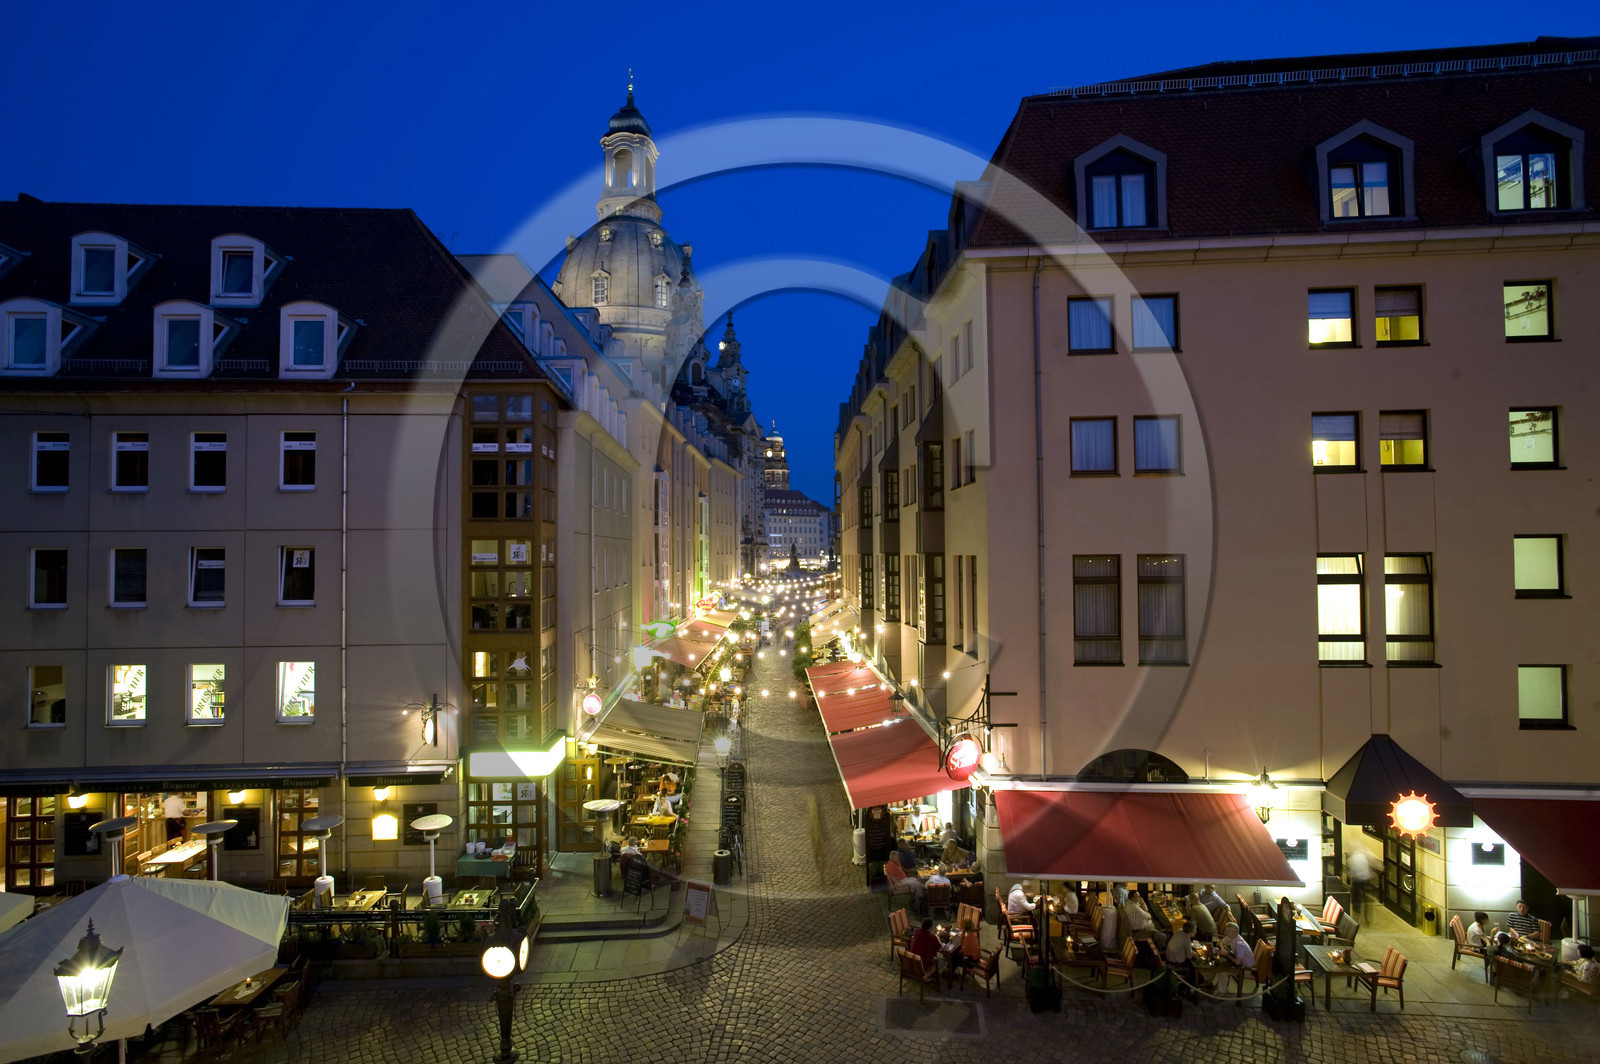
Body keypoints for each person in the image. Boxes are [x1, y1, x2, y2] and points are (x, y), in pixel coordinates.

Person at [1347, 847, 1375, 920]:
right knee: (1364, 898)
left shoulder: (1353, 858)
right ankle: (1366, 916)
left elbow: (1352, 871)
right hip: (1365, 880)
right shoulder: (1363, 857)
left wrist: (1349, 874)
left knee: (1356, 899)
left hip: (1357, 881)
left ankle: (1356, 915)